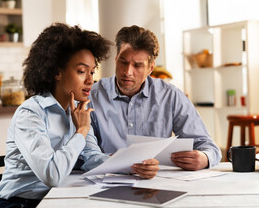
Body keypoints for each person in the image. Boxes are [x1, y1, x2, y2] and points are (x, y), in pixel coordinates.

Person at [0, 23, 157, 208]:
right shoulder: (31, 114)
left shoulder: (75, 112)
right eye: (81, 71)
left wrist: (132, 165)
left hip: (55, 204)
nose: (90, 80)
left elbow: (92, 157)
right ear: (57, 72)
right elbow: (52, 175)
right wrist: (81, 132)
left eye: (92, 71)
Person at [89, 25, 221, 173]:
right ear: (115, 59)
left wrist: (204, 158)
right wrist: (117, 162)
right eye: (123, 62)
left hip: (157, 184)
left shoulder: (170, 96)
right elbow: (84, 154)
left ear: (150, 68)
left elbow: (208, 146)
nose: (128, 72)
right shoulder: (92, 96)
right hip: (103, 182)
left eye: (137, 65)